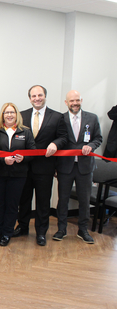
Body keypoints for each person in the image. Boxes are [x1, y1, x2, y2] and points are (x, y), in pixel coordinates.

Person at [13, 85, 67, 246]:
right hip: (24, 167)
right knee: (24, 200)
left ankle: (41, 232)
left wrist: (55, 144)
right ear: (30, 98)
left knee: (43, 201)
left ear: (45, 96)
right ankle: (22, 227)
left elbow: (64, 137)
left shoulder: (57, 117)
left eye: (40, 95)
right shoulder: (21, 115)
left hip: (45, 167)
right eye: (33, 96)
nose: (37, 98)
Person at [54, 90, 102, 244]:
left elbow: (98, 138)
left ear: (81, 100)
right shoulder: (60, 119)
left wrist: (91, 146)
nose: (75, 103)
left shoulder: (92, 118)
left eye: (77, 100)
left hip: (85, 166)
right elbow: (57, 140)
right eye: (71, 101)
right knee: (63, 199)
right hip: (65, 166)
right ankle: (61, 229)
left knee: (84, 199)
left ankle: (83, 230)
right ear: (66, 102)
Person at [0, 103, 36, 246]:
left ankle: (7, 233)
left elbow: (32, 152)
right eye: (6, 112)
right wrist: (3, 160)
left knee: (12, 205)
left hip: (18, 175)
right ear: (2, 115)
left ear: (17, 115)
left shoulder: (26, 132)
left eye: (12, 112)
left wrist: (24, 158)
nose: (9, 115)